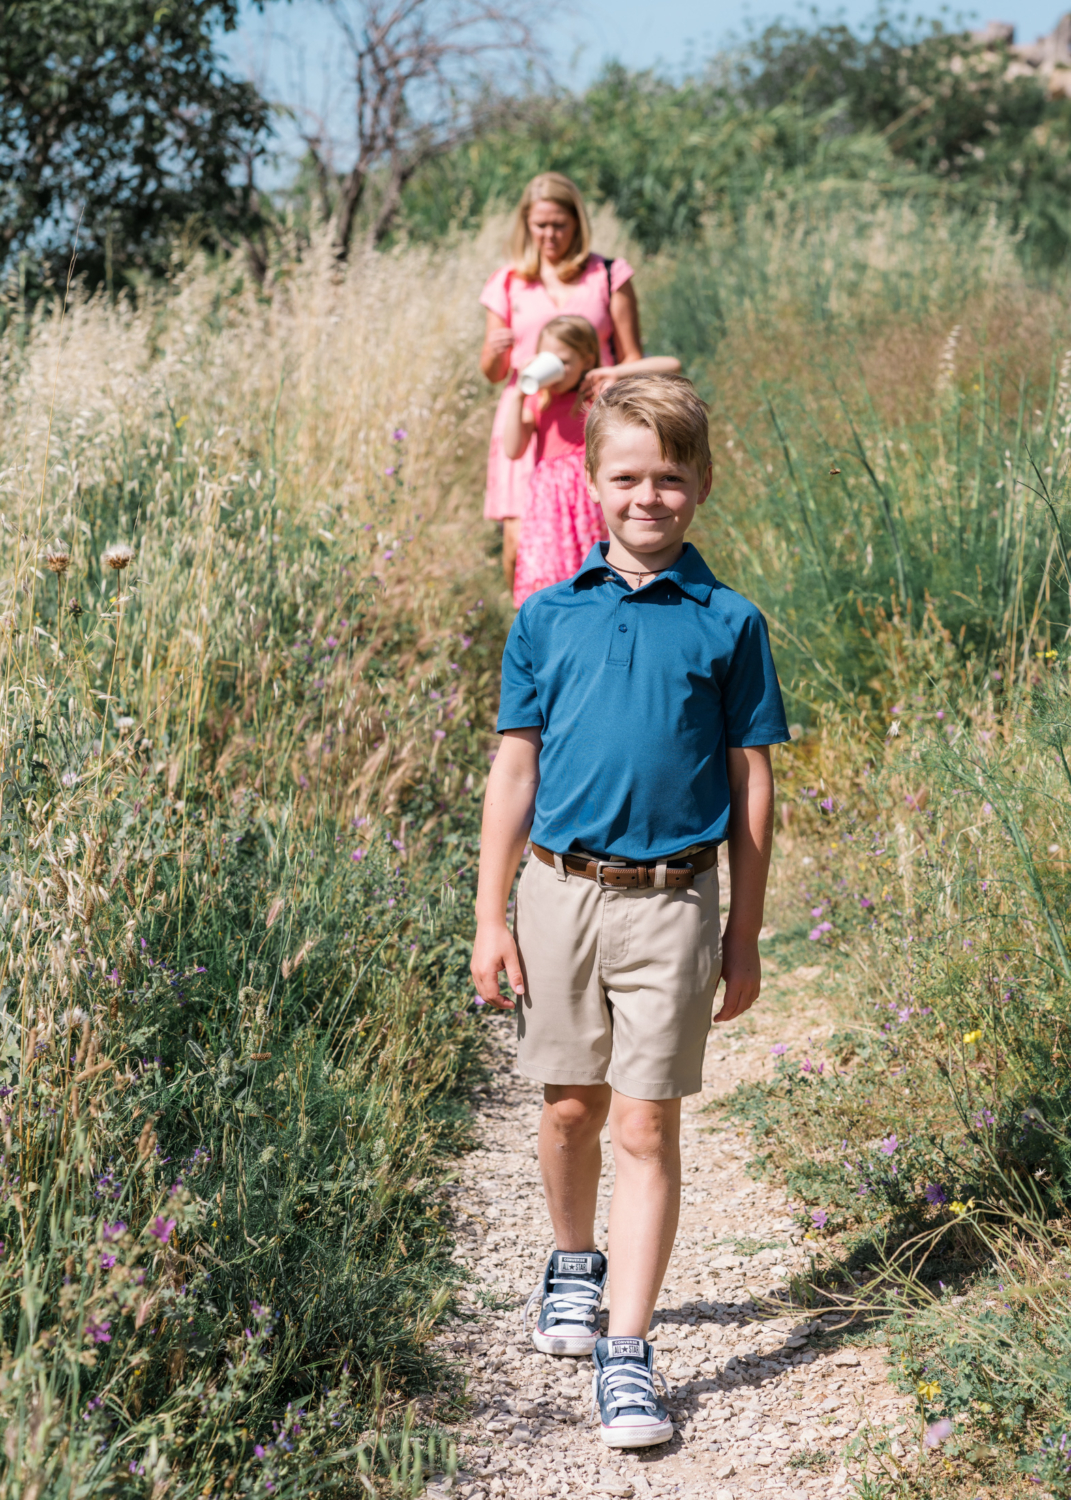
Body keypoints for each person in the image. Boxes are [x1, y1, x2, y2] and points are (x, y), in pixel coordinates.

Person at [469, 375, 790, 1448]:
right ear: (593, 484)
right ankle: (571, 1262)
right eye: (627, 477)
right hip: (559, 893)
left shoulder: (730, 622)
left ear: (701, 484)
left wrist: (743, 932)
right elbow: (515, 770)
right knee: (571, 1108)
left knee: (648, 1124)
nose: (649, 497)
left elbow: (753, 782)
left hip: (675, 904)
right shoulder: (546, 618)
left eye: (670, 477)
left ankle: (629, 1350)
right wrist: (491, 914)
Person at [479, 171, 644, 592]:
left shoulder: (608, 274)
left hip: (591, 418)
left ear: (577, 223)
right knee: (520, 540)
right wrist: (497, 352)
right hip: (530, 414)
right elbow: (493, 371)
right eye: (540, 225)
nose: (550, 234)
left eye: (559, 224)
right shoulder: (509, 281)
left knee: (595, 536)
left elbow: (633, 356)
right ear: (526, 225)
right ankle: (532, 629)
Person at [502, 315, 681, 607]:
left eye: (563, 362)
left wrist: (614, 371)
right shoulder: (540, 401)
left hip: (589, 499)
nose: (555, 371)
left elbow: (672, 366)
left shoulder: (598, 395)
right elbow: (512, 449)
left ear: (586, 359)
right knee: (549, 570)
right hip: (550, 505)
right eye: (547, 360)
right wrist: (517, 396)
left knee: (595, 570)